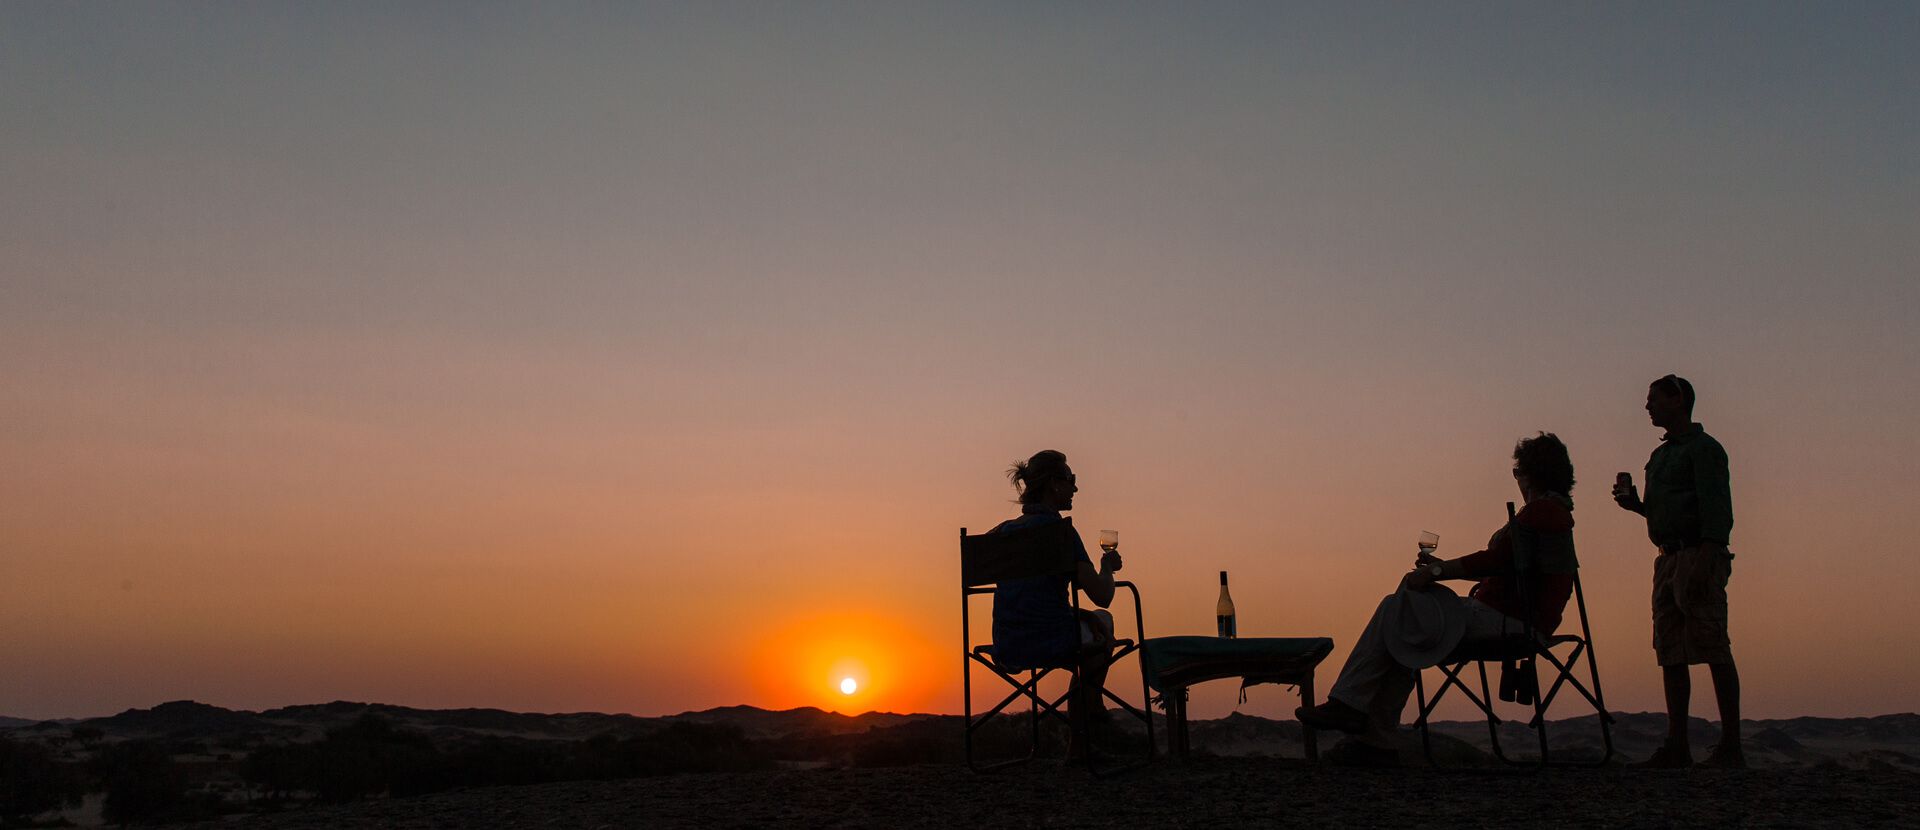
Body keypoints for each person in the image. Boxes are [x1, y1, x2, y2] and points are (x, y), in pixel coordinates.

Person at [1297, 433, 1577, 765]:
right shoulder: (1552, 514)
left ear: (1529, 473)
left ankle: (1356, 713)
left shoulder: (1540, 513)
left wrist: (1435, 573)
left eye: (1517, 472)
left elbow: (1496, 561)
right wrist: (1438, 569)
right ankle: (1371, 736)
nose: (1516, 479)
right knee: (1403, 621)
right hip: (1505, 616)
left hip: (1506, 621)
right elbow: (1506, 568)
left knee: (1396, 609)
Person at [1613, 374, 1743, 769]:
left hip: (1696, 555)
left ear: (1678, 400)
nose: (1647, 407)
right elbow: (1662, 509)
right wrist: (1636, 505)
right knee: (1670, 651)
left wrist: (1706, 559)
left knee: (1712, 644)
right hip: (1666, 558)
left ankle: (1731, 745)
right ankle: (1677, 744)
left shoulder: (1704, 450)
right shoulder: (1660, 456)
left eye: (1654, 399)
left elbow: (1717, 508)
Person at [989, 449, 1123, 758]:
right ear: (1053, 484)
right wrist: (1107, 567)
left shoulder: (1003, 535)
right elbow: (1102, 594)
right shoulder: (1060, 533)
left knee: (1094, 622)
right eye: (1071, 480)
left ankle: (1085, 725)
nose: (1075, 488)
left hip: (1008, 643)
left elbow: (1036, 600)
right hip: (1053, 639)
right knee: (1104, 622)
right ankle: (1081, 739)